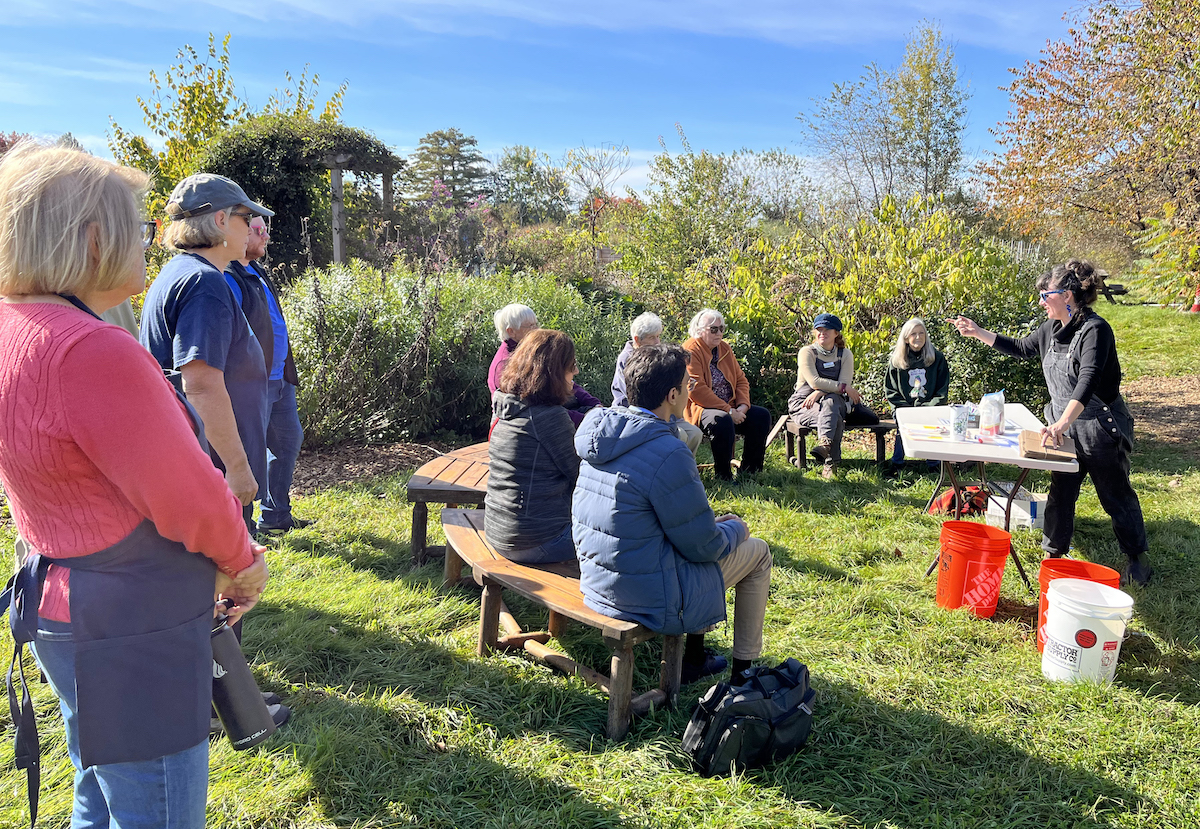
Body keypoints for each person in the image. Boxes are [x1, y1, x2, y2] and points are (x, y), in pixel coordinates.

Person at [0, 143, 268, 829]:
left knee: (101, 785)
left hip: (58, 599)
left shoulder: (14, 327)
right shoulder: (92, 349)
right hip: (131, 621)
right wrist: (243, 561)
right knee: (158, 808)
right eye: (137, 227)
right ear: (94, 239)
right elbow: (189, 495)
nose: (149, 242)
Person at [574, 344, 774, 683]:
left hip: (597, 581)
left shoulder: (599, 435)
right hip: (647, 595)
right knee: (757, 553)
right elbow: (704, 547)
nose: (690, 392)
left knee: (703, 538)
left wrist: (712, 527)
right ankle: (744, 674)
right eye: (687, 386)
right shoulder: (669, 450)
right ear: (671, 395)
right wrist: (736, 528)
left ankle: (696, 656)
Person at [948, 259, 1153, 586]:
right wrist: (977, 332)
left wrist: (1060, 423)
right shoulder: (1050, 329)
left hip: (1100, 428)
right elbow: (1020, 347)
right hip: (1065, 429)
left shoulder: (1095, 331)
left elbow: (1087, 380)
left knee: (1115, 495)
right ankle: (1053, 555)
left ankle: (1137, 557)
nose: (1041, 302)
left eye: (1047, 296)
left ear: (1068, 295)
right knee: (1061, 493)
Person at [140, 173, 273, 536]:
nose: (251, 227)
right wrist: (237, 467)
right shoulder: (204, 283)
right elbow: (200, 385)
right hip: (209, 468)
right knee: (219, 583)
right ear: (220, 220)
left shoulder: (178, 272)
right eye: (245, 218)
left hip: (186, 461)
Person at [226, 215, 309, 536]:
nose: (266, 237)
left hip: (279, 381)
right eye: (259, 231)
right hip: (252, 385)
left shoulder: (257, 271)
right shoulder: (228, 277)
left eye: (266, 230)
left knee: (287, 442)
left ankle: (275, 516)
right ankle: (241, 531)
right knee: (247, 453)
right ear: (240, 233)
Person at [485, 329, 580, 563]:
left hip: (498, 529)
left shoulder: (505, 404)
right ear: (554, 372)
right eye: (571, 365)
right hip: (538, 540)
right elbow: (583, 476)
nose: (576, 371)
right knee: (630, 534)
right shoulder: (548, 417)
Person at [786, 312, 880, 479]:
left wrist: (822, 391)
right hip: (804, 404)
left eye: (827, 329)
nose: (822, 333)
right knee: (833, 414)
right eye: (819, 329)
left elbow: (843, 385)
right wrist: (834, 388)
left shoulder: (845, 354)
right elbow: (815, 381)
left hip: (835, 401)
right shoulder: (807, 352)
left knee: (832, 403)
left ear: (836, 333)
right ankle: (831, 462)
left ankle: (825, 447)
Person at [682, 308, 771, 481]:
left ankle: (751, 472)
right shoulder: (691, 350)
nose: (719, 333)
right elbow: (697, 390)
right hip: (700, 408)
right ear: (700, 330)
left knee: (761, 416)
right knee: (721, 420)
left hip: (731, 406)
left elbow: (741, 380)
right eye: (713, 329)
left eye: (721, 328)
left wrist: (743, 406)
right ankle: (723, 476)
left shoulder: (724, 348)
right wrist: (729, 411)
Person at [488, 302, 601, 427]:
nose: (537, 330)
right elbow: (537, 408)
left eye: (536, 324)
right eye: (530, 326)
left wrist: (594, 404)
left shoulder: (531, 351)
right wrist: (585, 419)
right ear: (511, 331)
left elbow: (565, 380)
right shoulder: (505, 364)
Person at [611, 310, 703, 453]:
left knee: (694, 434)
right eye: (652, 337)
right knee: (681, 435)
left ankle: (683, 469)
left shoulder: (656, 356)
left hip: (663, 412)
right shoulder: (627, 359)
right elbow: (635, 398)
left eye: (658, 336)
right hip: (634, 415)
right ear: (637, 340)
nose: (657, 342)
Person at [883, 317, 949, 476]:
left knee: (931, 423)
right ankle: (897, 464)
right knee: (903, 425)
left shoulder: (937, 358)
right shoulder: (896, 361)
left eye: (921, 333)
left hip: (930, 406)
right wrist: (905, 409)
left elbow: (942, 390)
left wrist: (928, 408)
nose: (918, 337)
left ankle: (934, 464)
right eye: (913, 334)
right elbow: (891, 390)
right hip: (904, 407)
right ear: (906, 338)